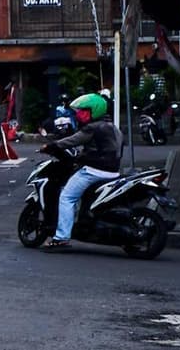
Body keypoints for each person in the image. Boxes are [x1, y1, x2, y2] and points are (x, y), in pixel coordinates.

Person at [41, 93, 123, 251]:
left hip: (94, 171)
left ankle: (61, 238)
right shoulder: (113, 128)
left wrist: (51, 146)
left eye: (83, 111)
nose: (79, 114)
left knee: (66, 197)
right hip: (114, 172)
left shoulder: (92, 128)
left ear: (94, 111)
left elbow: (72, 141)